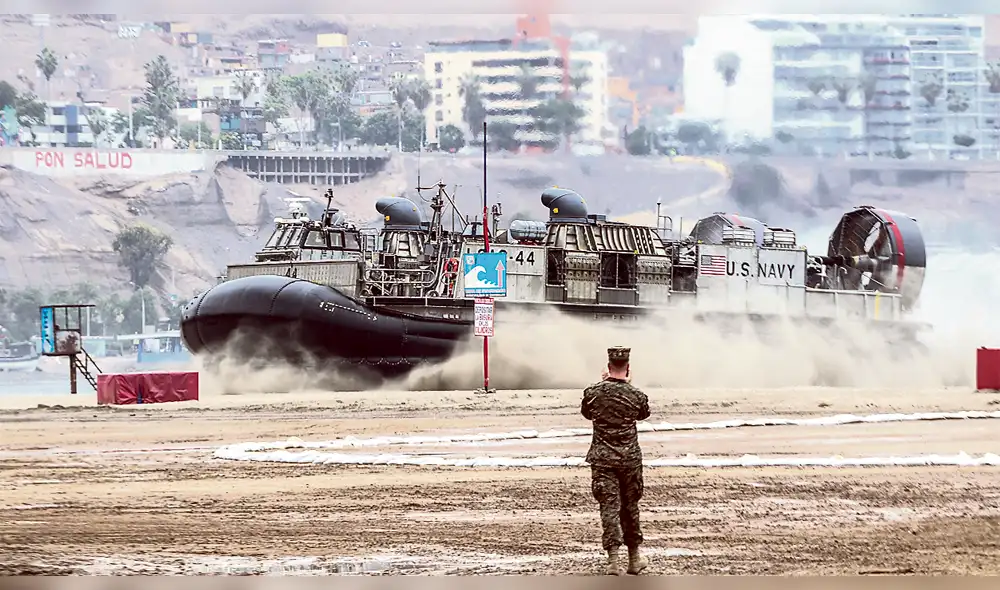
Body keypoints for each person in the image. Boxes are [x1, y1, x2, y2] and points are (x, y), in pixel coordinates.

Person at [581, 346, 651, 575]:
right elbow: (642, 414)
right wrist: (626, 386)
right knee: (630, 508)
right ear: (628, 367)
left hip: (603, 461)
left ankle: (613, 561)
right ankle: (634, 559)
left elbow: (587, 413)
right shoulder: (637, 395)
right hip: (629, 460)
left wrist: (604, 385)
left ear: (607, 367)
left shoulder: (592, 393)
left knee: (609, 509)